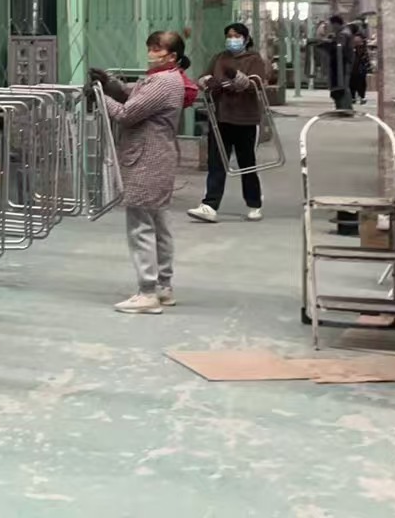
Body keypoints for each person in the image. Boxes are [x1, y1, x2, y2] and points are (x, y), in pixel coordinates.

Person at [91, 31, 196, 315]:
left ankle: (147, 292)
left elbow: (127, 114)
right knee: (159, 224)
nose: (151, 52)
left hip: (147, 160)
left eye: (157, 48)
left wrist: (100, 96)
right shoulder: (165, 77)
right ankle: (163, 287)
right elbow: (136, 94)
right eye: (150, 46)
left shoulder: (163, 81)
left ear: (172, 55)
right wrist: (110, 83)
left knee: (141, 227)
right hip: (158, 158)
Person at [188, 23, 275, 225]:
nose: (232, 40)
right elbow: (203, 77)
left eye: (236, 36)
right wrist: (206, 82)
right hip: (220, 118)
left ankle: (254, 204)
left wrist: (237, 79)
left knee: (247, 163)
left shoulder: (254, 59)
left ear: (245, 39)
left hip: (245, 119)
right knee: (216, 163)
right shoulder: (219, 58)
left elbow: (256, 84)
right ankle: (210, 205)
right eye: (229, 36)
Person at [349, 23, 371, 105]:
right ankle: (362, 96)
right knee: (361, 82)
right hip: (360, 64)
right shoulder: (361, 38)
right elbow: (365, 53)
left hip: (354, 64)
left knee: (352, 81)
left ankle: (353, 97)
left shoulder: (352, 38)